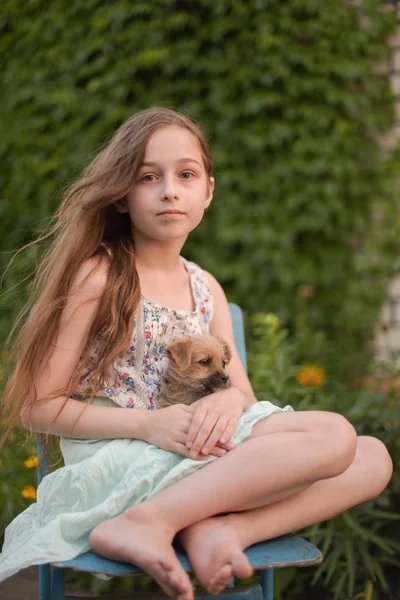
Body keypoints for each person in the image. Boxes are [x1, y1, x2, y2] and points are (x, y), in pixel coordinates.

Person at [0, 107, 393, 600]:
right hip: (126, 457)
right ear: (122, 194)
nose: (169, 189)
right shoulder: (99, 277)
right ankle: (148, 521)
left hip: (196, 454)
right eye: (149, 176)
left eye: (186, 174)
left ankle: (225, 531)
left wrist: (227, 401)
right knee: (335, 433)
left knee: (373, 457)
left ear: (207, 189)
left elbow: (244, 399)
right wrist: (148, 425)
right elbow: (39, 406)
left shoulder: (206, 288)